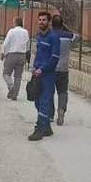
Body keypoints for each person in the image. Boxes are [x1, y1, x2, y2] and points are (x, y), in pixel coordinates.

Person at [27, 10, 61, 141]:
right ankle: (47, 127)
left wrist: (42, 69)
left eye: (44, 20)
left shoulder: (53, 37)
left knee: (44, 102)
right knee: (37, 101)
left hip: (47, 75)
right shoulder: (39, 36)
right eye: (40, 20)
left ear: (49, 22)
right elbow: (37, 53)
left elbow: (54, 58)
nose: (41, 22)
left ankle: (40, 129)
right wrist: (34, 67)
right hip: (37, 74)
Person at [51, 15, 74, 125]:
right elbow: (78, 37)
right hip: (63, 69)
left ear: (51, 24)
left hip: (50, 68)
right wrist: (66, 28)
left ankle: (50, 114)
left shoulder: (49, 35)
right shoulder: (68, 36)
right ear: (62, 24)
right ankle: (61, 111)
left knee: (49, 91)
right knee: (62, 92)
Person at [1, 16, 30, 100]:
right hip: (22, 55)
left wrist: (3, 53)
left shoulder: (12, 31)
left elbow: (6, 43)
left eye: (13, 22)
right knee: (18, 76)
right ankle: (15, 95)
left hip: (11, 55)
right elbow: (27, 42)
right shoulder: (25, 32)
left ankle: (11, 87)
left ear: (15, 23)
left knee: (6, 73)